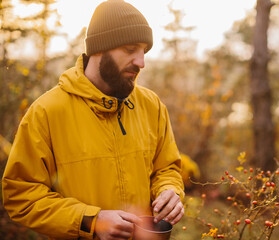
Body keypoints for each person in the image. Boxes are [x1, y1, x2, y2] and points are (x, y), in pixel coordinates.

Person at [1, 0, 185, 239]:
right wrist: (90, 220)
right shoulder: (46, 113)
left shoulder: (152, 106)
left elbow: (167, 167)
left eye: (143, 52)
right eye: (130, 50)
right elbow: (21, 196)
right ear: (99, 48)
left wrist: (169, 189)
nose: (141, 62)